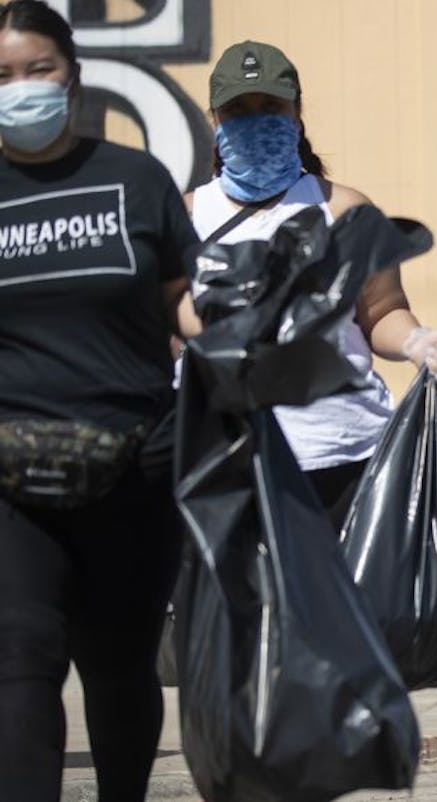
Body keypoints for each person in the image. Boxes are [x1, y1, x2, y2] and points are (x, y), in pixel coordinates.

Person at [0, 2, 200, 798]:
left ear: (73, 77)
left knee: (118, 665)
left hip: (134, 465)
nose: (22, 88)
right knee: (20, 654)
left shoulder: (136, 178)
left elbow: (182, 300)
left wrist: (229, 321)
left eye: (38, 69)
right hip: (12, 473)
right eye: (3, 76)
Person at [182, 40, 437, 526]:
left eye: (270, 106)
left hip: (343, 455)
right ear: (215, 120)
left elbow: (381, 313)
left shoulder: (343, 209)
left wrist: (418, 341)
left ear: (297, 113)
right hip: (222, 462)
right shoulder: (186, 216)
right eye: (238, 109)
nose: (255, 119)